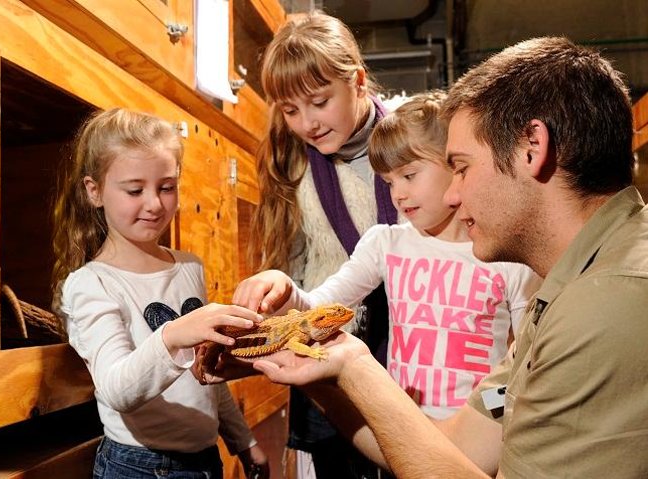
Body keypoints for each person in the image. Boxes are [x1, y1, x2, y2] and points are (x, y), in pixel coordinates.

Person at [246, 36, 648, 478]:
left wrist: (348, 367)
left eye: (461, 166)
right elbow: (455, 452)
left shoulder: (608, 303)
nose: (454, 195)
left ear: (532, 147)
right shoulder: (566, 288)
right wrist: (331, 372)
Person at [234, 91, 542, 420]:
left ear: (454, 165)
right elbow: (320, 307)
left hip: (477, 437)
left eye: (409, 176)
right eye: (389, 182)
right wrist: (283, 287)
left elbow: (527, 357)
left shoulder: (506, 256)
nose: (399, 194)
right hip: (404, 428)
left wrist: (494, 418)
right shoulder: (386, 244)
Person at [51, 108, 269, 479]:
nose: (154, 203)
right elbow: (117, 388)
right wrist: (173, 335)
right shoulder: (91, 284)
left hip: (205, 459)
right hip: (139, 466)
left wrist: (243, 441)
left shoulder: (189, 267)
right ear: (94, 191)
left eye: (166, 187)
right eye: (135, 190)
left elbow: (206, 370)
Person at [250, 10, 397, 478]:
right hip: (329, 345)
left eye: (318, 101)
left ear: (356, 81)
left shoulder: (415, 143)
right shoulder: (292, 165)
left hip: (409, 345)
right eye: (291, 110)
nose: (307, 123)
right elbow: (294, 265)